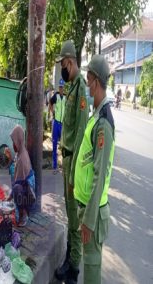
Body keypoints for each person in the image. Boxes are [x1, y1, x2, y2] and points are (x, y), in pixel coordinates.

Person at [74, 55, 115, 284]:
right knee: (89, 263)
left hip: (94, 213)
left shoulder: (103, 124)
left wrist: (88, 220)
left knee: (91, 267)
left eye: (88, 80)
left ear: (96, 81)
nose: (87, 85)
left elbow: (99, 177)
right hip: (88, 206)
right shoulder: (96, 116)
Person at [55, 40, 89, 283]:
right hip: (67, 160)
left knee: (75, 222)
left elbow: (80, 133)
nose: (62, 70)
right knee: (70, 215)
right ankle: (69, 260)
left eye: (63, 65)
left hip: (74, 164)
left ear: (69, 61)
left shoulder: (81, 89)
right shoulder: (72, 88)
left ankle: (73, 271)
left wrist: (72, 173)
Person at [5, 125, 36, 227]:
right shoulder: (20, 153)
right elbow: (14, 170)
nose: (13, 145)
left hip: (28, 192)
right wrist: (10, 158)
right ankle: (22, 209)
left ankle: (25, 214)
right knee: (16, 188)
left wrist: (9, 197)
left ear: (19, 141)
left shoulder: (22, 158)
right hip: (24, 186)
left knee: (16, 188)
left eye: (14, 142)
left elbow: (17, 182)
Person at [49, 79, 66, 173]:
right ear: (58, 88)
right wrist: (52, 112)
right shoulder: (56, 96)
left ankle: (63, 166)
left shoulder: (66, 98)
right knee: (55, 145)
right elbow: (50, 103)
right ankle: (55, 166)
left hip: (63, 125)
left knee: (63, 146)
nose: (61, 89)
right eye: (60, 87)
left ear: (64, 88)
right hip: (56, 123)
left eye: (62, 87)